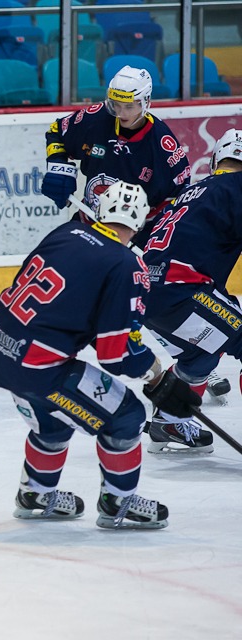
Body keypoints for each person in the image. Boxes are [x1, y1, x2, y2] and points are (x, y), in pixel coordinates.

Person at [0, 180, 202, 529]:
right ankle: (118, 504)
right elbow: (116, 354)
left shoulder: (65, 232)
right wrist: (157, 375)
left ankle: (35, 494)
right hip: (40, 364)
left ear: (100, 210)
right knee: (126, 416)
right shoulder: (126, 264)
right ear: (140, 221)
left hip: (1, 347)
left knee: (52, 423)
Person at [139, 128, 242, 454]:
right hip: (183, 293)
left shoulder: (193, 191)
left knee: (202, 353)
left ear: (216, 159)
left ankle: (169, 421)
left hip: (148, 294)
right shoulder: (238, 187)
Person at [40, 65, 191, 249]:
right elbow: (57, 131)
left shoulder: (162, 144)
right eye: (116, 105)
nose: (121, 113)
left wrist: (147, 238)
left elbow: (179, 195)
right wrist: (58, 167)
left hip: (131, 237)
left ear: (145, 102)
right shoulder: (96, 118)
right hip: (89, 222)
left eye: (128, 106)